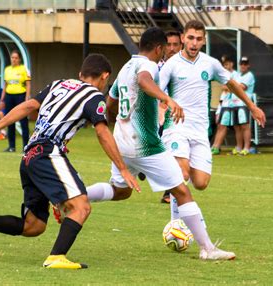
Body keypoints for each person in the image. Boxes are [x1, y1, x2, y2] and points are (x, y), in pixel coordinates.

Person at [0, 54, 139, 269]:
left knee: (33, 226)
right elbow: (102, 133)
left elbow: (28, 107)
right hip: (47, 153)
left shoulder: (58, 84)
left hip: (29, 156)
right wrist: (123, 168)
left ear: (80, 74)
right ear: (105, 76)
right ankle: (56, 256)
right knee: (81, 207)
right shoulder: (94, 96)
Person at [83, 27, 237, 261]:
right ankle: (208, 249)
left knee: (120, 191)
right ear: (158, 48)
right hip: (145, 144)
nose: (167, 52)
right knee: (182, 191)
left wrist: (112, 122)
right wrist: (167, 99)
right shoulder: (150, 66)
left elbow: (110, 102)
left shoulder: (125, 67)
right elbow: (145, 80)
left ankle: (77, 196)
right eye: (165, 48)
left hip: (121, 142)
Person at [158, 21, 265, 227]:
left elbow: (231, 83)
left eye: (198, 39)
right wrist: (162, 111)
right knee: (182, 173)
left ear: (204, 41)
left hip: (200, 130)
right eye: (190, 38)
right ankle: (176, 224)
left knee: (201, 183)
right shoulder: (171, 65)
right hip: (176, 127)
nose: (194, 43)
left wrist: (251, 105)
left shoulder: (210, 63)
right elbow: (156, 93)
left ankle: (176, 193)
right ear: (183, 38)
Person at [159, 30, 182, 204]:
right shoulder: (155, 67)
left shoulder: (185, 67)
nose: (172, 48)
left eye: (176, 44)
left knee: (173, 154)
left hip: (175, 118)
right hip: (156, 116)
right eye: (169, 45)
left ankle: (169, 192)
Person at [1, 50, 31, 152]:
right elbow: (5, 85)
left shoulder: (23, 69)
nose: (14, 60)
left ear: (19, 59)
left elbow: (28, 84)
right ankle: (11, 146)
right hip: (9, 96)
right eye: (12, 57)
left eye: (16, 58)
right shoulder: (7, 69)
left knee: (23, 121)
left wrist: (27, 98)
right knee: (10, 120)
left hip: (20, 96)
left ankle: (26, 146)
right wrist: (2, 98)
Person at [211, 56, 240, 155]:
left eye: (227, 64)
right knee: (219, 125)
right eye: (224, 65)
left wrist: (228, 87)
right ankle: (215, 147)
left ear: (232, 64)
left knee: (223, 126)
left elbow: (232, 87)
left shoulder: (236, 74)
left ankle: (216, 147)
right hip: (222, 103)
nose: (226, 66)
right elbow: (224, 87)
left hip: (231, 104)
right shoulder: (224, 74)